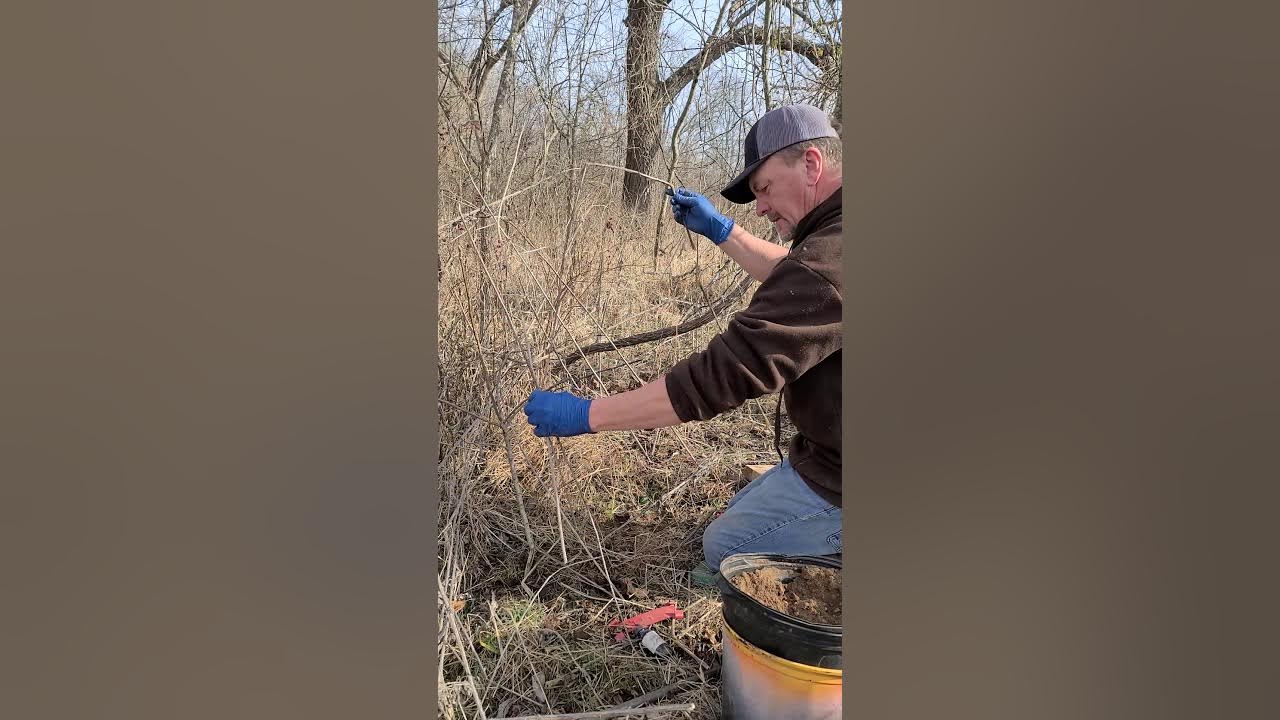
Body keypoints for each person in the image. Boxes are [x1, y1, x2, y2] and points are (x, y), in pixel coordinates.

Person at [523, 103, 842, 580]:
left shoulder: (832, 260)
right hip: (831, 454)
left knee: (726, 549)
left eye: (764, 188)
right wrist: (722, 231)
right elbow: (799, 279)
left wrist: (587, 415)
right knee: (742, 516)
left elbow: (724, 374)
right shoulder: (837, 238)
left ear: (811, 164)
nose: (760, 207)